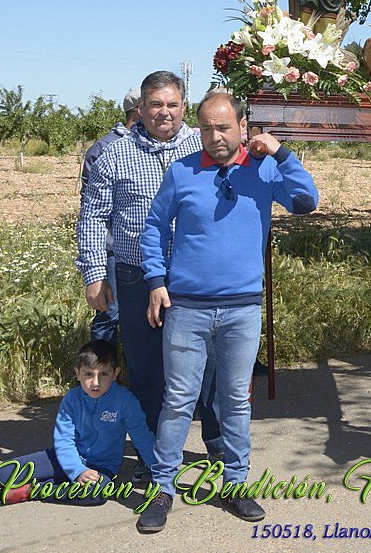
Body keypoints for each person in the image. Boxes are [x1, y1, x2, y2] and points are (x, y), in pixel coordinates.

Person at [137, 91, 318, 532]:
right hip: (187, 309)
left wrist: (281, 152)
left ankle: (235, 484)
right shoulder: (181, 172)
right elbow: (154, 227)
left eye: (223, 127)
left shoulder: (264, 170)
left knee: (235, 401)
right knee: (178, 400)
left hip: (241, 310)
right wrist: (156, 282)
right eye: (206, 128)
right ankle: (162, 489)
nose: (215, 136)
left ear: (242, 126)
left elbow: (306, 201)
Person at [76, 71, 221, 453]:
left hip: (195, 276)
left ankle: (220, 448)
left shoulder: (204, 146)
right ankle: (151, 451)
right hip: (135, 275)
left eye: (172, 104)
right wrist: (94, 275)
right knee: (147, 371)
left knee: (208, 367)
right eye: (156, 104)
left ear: (184, 106)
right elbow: (93, 217)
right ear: (140, 107)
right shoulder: (114, 153)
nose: (164, 112)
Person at [0, 340, 156, 506]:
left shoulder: (125, 401)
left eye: (104, 374)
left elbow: (142, 439)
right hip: (65, 457)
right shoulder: (72, 399)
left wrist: (160, 473)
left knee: (96, 494)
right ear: (77, 373)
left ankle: (33, 490)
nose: (95, 383)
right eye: (88, 374)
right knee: (2, 475)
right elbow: (64, 440)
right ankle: (64, 480)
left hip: (101, 467)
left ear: (115, 373)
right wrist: (77, 470)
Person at [79, 87, 141, 345]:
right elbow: (91, 208)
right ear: (140, 110)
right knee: (109, 312)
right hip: (114, 248)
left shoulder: (102, 145)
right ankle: (102, 366)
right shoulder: (108, 148)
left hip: (134, 248)